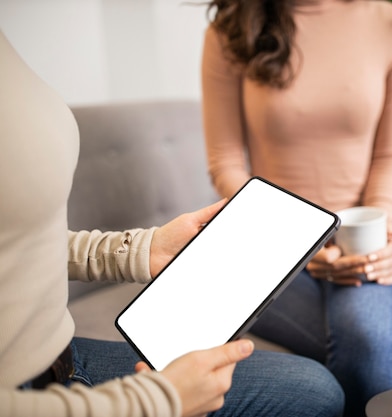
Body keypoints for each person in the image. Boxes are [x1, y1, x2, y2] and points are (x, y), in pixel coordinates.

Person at [0, 30, 345, 417]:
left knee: (320, 388)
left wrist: (140, 249)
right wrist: (158, 402)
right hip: (22, 393)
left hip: (62, 354)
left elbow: (18, 241)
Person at [201, 0, 392, 415]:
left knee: (368, 335)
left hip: (356, 235)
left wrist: (379, 234)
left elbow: (388, 157)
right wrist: (300, 238)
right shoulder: (231, 28)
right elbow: (226, 164)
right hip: (268, 240)